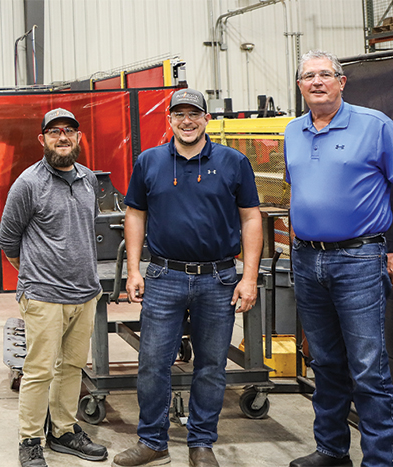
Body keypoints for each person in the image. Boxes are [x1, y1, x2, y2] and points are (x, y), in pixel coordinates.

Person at [284, 50, 393, 467]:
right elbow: (302, 190)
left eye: (325, 75)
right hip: (308, 261)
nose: (316, 82)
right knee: (326, 362)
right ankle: (331, 450)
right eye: (308, 76)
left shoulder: (375, 125)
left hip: (360, 260)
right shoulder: (294, 132)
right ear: (299, 87)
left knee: (368, 367)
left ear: (342, 82)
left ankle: (379, 460)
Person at [113, 88, 263, 467]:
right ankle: (152, 442)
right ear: (169, 120)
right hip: (165, 276)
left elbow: (250, 217)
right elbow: (135, 214)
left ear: (206, 119)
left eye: (194, 113)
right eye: (178, 114)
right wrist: (134, 269)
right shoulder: (149, 162)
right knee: (152, 363)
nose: (187, 121)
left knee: (211, 365)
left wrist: (249, 276)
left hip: (219, 278)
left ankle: (201, 443)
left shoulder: (234, 162)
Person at [0, 108, 108, 467]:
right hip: (43, 295)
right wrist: (34, 274)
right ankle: (29, 440)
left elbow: (85, 231)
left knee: (72, 367)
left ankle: (63, 431)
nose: (63, 138)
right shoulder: (28, 184)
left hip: (84, 293)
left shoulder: (89, 179)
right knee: (39, 370)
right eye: (55, 132)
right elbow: (8, 240)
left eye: (70, 131)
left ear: (78, 138)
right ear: (42, 139)